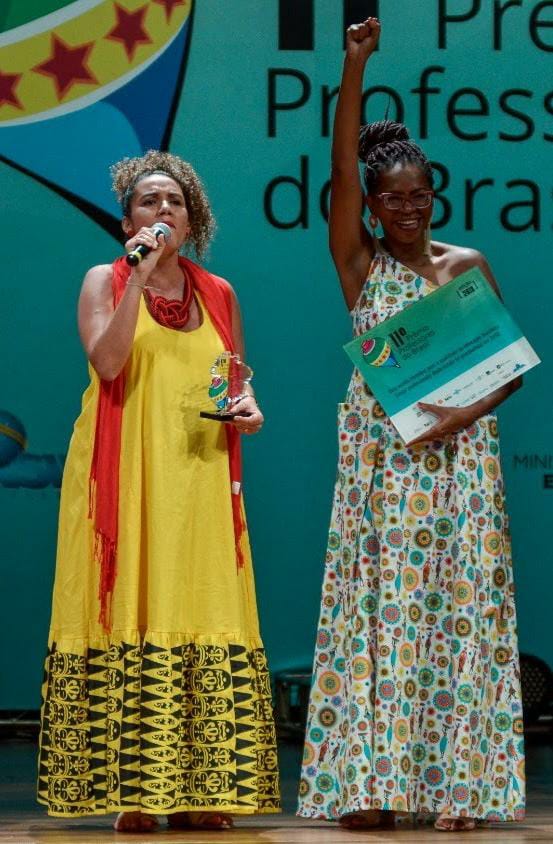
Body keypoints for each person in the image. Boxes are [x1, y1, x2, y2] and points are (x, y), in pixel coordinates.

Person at [297, 18, 525, 833]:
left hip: (459, 465)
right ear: (369, 205)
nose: (403, 208)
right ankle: (371, 785)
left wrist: (462, 413)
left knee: (455, 615)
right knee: (381, 615)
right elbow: (338, 169)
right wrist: (353, 63)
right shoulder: (361, 264)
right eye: (388, 198)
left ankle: (460, 792)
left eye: (417, 196)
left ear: (435, 197)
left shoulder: (465, 266)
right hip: (383, 467)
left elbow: (508, 369)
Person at [37, 151, 280, 831]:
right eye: (149, 201)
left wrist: (247, 408)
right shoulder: (106, 279)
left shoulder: (220, 292)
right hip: (125, 476)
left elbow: (234, 381)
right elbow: (109, 362)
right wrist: (138, 278)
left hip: (199, 478)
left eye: (175, 201)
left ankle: (204, 790)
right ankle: (137, 791)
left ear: (192, 220)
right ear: (128, 222)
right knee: (135, 605)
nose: (163, 209)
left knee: (202, 606)